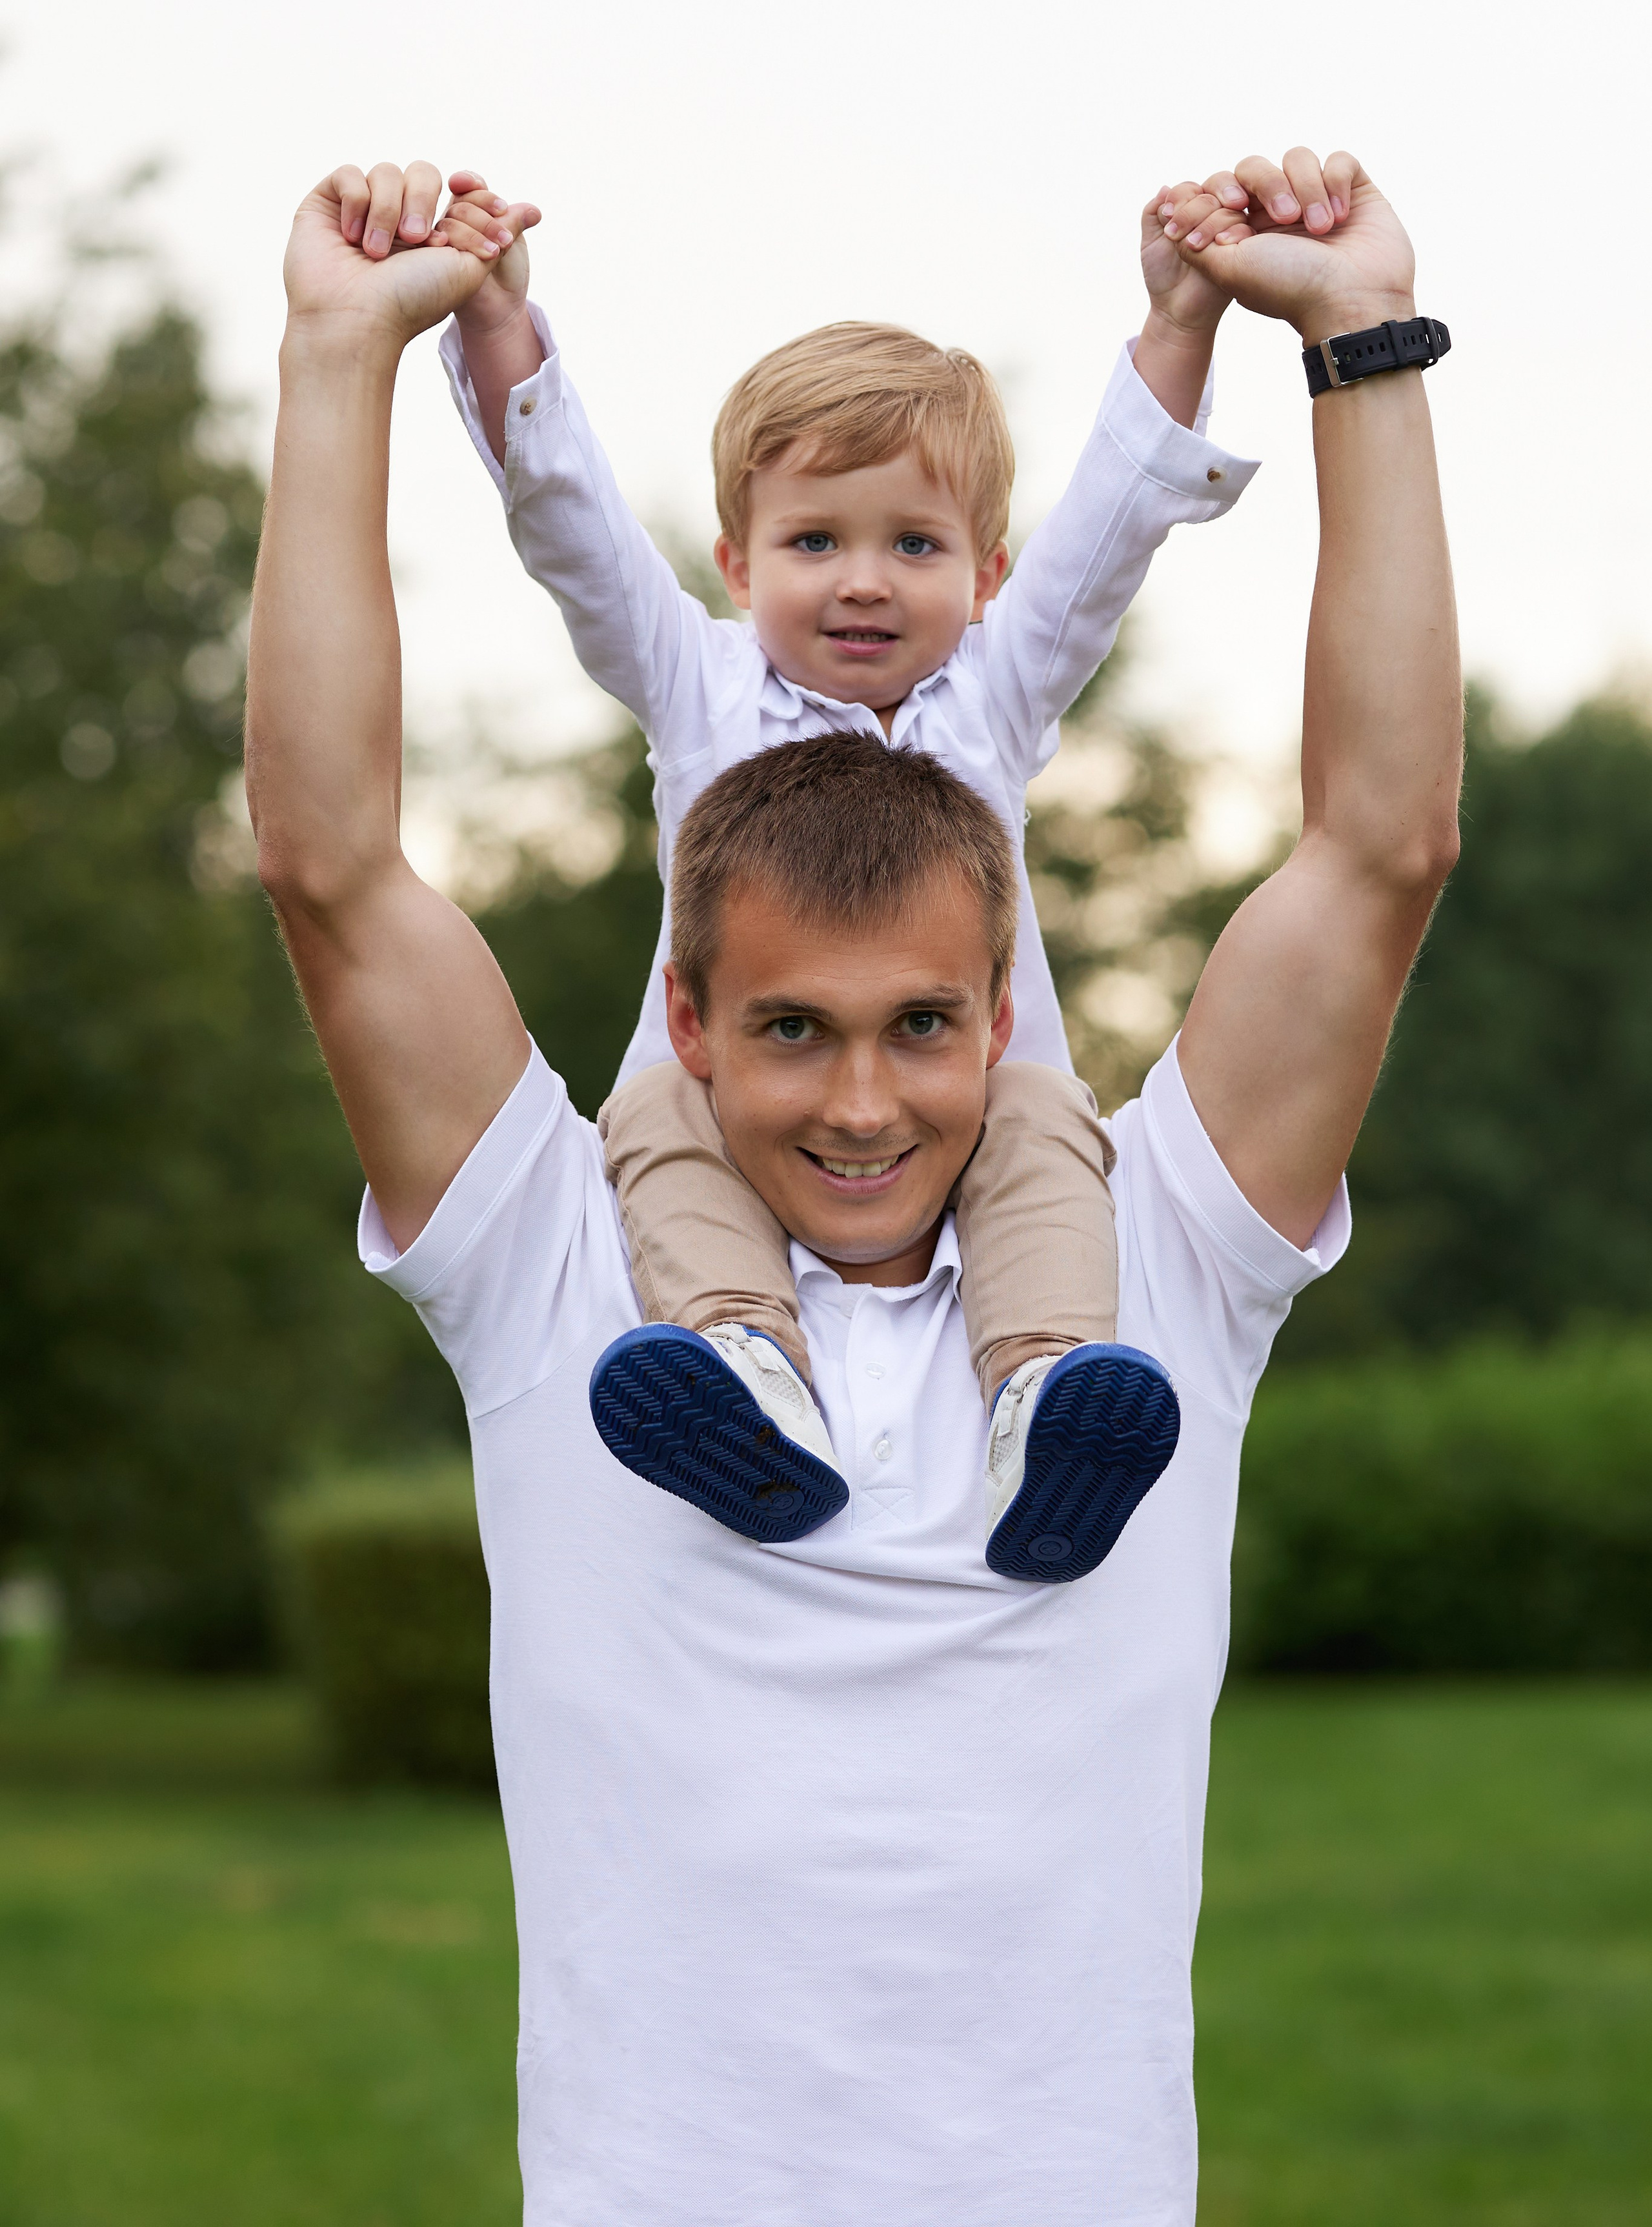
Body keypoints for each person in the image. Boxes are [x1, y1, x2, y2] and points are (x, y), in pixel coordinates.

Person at [245, 146, 1459, 2226]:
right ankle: (753, 1382)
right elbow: (331, 868)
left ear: (1009, 1019)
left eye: (921, 1025)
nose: (870, 1106)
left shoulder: (1149, 1258)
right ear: (688, 1028)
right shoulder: (570, 1269)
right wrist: (341, 355)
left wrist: (1365, 345)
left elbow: (1378, 852)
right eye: (793, 1029)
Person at [376, 154, 1293, 1577]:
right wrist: (496, 324)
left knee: (1052, 1120)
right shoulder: (700, 685)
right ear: (738, 565)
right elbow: (571, 531)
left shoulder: (993, 690)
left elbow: (1109, 537)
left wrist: (1179, 322)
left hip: (963, 1101)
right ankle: (742, 1374)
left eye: (910, 544)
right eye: (815, 540)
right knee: (652, 1119)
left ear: (985, 575)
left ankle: (1048, 1393)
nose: (862, 578)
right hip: (742, 1105)